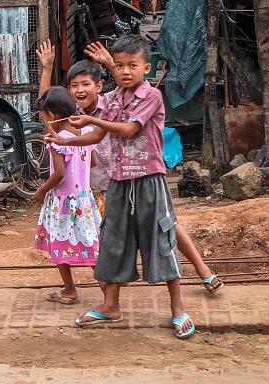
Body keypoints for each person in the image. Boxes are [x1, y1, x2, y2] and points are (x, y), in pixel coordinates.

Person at [37, 40, 223, 294]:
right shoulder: (72, 113)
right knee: (109, 236)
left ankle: (204, 271)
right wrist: (47, 68)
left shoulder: (112, 103)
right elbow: (48, 106)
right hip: (97, 189)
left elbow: (131, 82)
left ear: (99, 86)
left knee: (167, 224)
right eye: (74, 86)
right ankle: (111, 292)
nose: (80, 90)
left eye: (86, 84)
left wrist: (111, 63)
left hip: (131, 175)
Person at [46, 35, 195, 339]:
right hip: (118, 181)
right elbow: (96, 137)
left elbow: (128, 130)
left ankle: (178, 310)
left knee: (162, 241)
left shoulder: (152, 96)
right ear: (113, 71)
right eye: (120, 66)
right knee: (112, 242)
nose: (126, 71)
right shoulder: (112, 99)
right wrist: (67, 140)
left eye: (133, 65)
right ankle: (110, 306)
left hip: (149, 179)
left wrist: (92, 120)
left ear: (146, 68)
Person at [32, 87, 102, 305]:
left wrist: (41, 190)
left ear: (51, 116)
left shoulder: (57, 140)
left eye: (43, 114)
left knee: (58, 243)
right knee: (91, 245)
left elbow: (60, 174)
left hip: (63, 202)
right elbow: (94, 162)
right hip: (83, 199)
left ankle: (73, 290)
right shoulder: (85, 133)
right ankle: (103, 291)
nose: (43, 119)